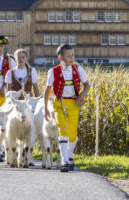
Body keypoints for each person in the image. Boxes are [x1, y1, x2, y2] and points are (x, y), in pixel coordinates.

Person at [44, 44, 90, 172]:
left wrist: (82, 95)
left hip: (74, 104)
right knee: (63, 129)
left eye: (73, 55)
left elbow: (87, 85)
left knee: (72, 133)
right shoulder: (53, 71)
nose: (72, 58)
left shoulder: (78, 70)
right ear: (60, 58)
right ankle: (64, 161)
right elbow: (47, 90)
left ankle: (69, 156)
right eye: (69, 56)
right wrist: (46, 108)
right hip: (59, 104)